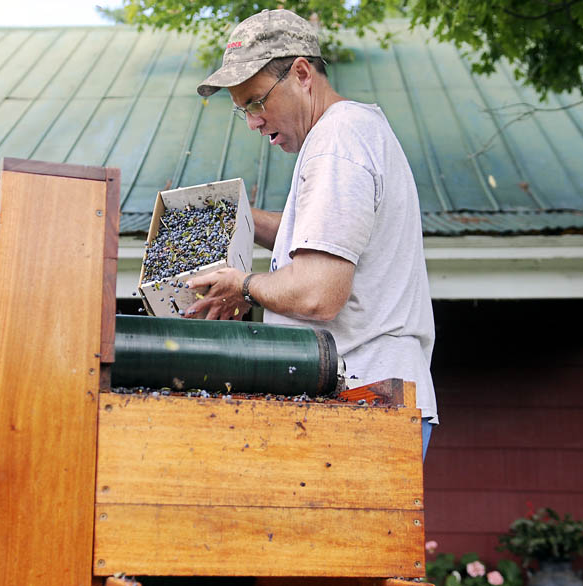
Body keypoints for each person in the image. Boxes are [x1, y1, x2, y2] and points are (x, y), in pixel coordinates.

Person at [185, 8, 437, 456]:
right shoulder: (353, 131)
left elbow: (320, 291)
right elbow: (330, 236)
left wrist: (243, 286)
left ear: (301, 73)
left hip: (365, 403)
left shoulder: (337, 141)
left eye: (257, 102)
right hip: (369, 399)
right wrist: (235, 218)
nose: (252, 122)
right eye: (240, 110)